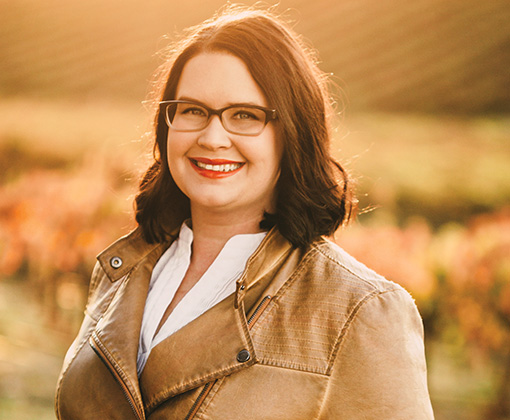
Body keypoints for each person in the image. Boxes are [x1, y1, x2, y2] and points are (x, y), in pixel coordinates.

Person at [55, 5, 434, 419]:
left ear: (292, 131)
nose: (213, 137)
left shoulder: (359, 311)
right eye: (193, 110)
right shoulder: (123, 270)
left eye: (245, 116)